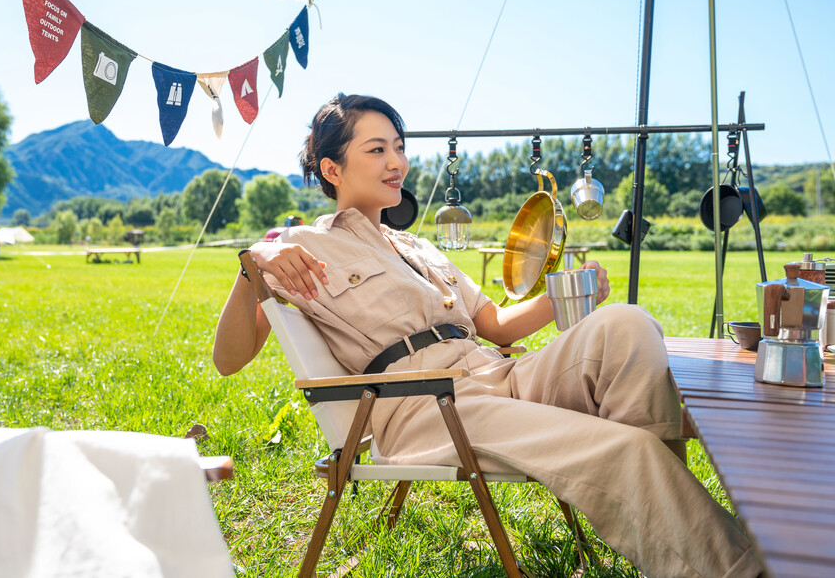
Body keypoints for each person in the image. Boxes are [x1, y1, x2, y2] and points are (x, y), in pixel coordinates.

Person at [213, 94, 763, 578]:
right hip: (429, 404)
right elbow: (228, 359)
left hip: (497, 375)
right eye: (377, 149)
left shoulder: (419, 249)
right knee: (626, 446)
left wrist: (568, 294)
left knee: (626, 324)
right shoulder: (304, 247)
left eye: (399, 147)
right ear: (332, 169)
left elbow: (495, 325)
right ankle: (733, 565)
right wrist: (253, 263)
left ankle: (667, 524)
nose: (397, 162)